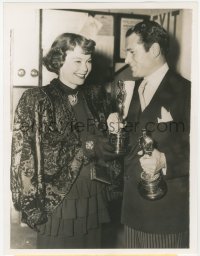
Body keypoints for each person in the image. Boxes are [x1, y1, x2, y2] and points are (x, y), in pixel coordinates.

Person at [10, 33, 118, 249]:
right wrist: (90, 146)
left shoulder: (95, 96)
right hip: (59, 201)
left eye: (88, 61)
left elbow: (105, 147)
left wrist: (113, 129)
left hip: (93, 194)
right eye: (77, 61)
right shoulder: (37, 99)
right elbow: (32, 155)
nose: (85, 68)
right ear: (59, 61)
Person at [107, 20, 190, 248]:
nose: (127, 60)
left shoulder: (188, 92)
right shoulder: (134, 88)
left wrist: (164, 160)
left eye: (132, 52)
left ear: (154, 50)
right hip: (132, 212)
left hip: (166, 216)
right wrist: (117, 129)